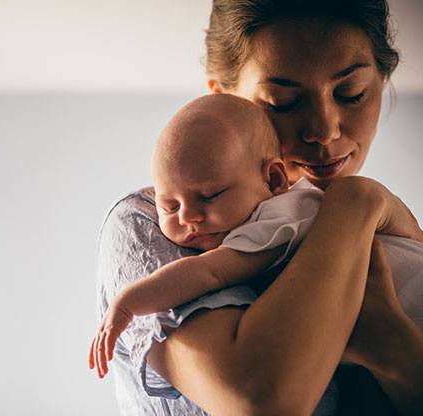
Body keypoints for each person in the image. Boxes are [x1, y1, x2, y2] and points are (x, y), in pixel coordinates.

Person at [95, 1, 423, 414]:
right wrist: (355, 202)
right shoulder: (158, 222)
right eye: (282, 101)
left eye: (350, 93)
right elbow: (261, 401)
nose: (324, 131)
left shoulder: (390, 240)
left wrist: (394, 346)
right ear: (225, 100)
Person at [89, 94, 423, 381]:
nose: (188, 216)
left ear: (274, 180)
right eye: (169, 205)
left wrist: (128, 304)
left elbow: (210, 271)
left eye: (211, 194)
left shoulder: (284, 214)